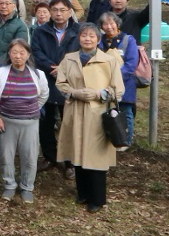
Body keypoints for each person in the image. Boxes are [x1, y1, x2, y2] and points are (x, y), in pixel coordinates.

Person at [56, 23, 124, 213]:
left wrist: (97, 95)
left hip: (98, 114)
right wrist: (76, 93)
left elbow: (118, 90)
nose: (87, 39)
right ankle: (82, 193)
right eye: (84, 35)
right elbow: (61, 83)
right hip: (75, 111)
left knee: (96, 155)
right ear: (79, 38)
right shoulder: (69, 59)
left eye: (91, 36)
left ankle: (98, 198)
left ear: (98, 40)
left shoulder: (109, 61)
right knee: (77, 150)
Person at [0, 38, 49, 203]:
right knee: (5, 156)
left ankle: (27, 187)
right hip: (6, 121)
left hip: (31, 122)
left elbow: (43, 95)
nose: (18, 56)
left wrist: (32, 109)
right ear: (9, 54)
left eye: (22, 53)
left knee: (30, 157)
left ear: (28, 55)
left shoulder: (38, 74)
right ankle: (9, 185)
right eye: (14, 52)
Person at [31, 0, 80, 175]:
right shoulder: (40, 31)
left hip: (69, 83)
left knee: (68, 123)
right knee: (46, 123)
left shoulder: (78, 30)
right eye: (55, 10)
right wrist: (52, 68)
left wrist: (64, 69)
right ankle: (50, 156)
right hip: (47, 81)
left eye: (62, 10)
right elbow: (36, 51)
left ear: (69, 11)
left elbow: (82, 53)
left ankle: (70, 161)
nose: (59, 14)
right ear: (50, 12)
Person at [99, 12, 139, 148]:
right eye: (105, 24)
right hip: (103, 82)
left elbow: (131, 63)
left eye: (111, 23)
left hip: (125, 82)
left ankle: (126, 140)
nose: (109, 27)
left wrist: (115, 77)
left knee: (126, 111)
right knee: (107, 111)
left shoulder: (128, 39)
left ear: (117, 24)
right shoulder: (99, 40)